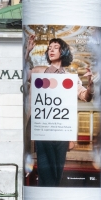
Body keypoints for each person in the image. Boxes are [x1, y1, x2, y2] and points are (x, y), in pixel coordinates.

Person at [30, 37, 93, 187]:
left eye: (55, 47)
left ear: (63, 51)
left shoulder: (70, 79)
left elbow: (85, 96)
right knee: (45, 171)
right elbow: (23, 74)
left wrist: (91, 84)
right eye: (49, 47)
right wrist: (26, 52)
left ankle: (52, 197)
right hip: (43, 131)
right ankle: (46, 197)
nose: (51, 50)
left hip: (62, 133)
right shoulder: (40, 71)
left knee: (58, 171)